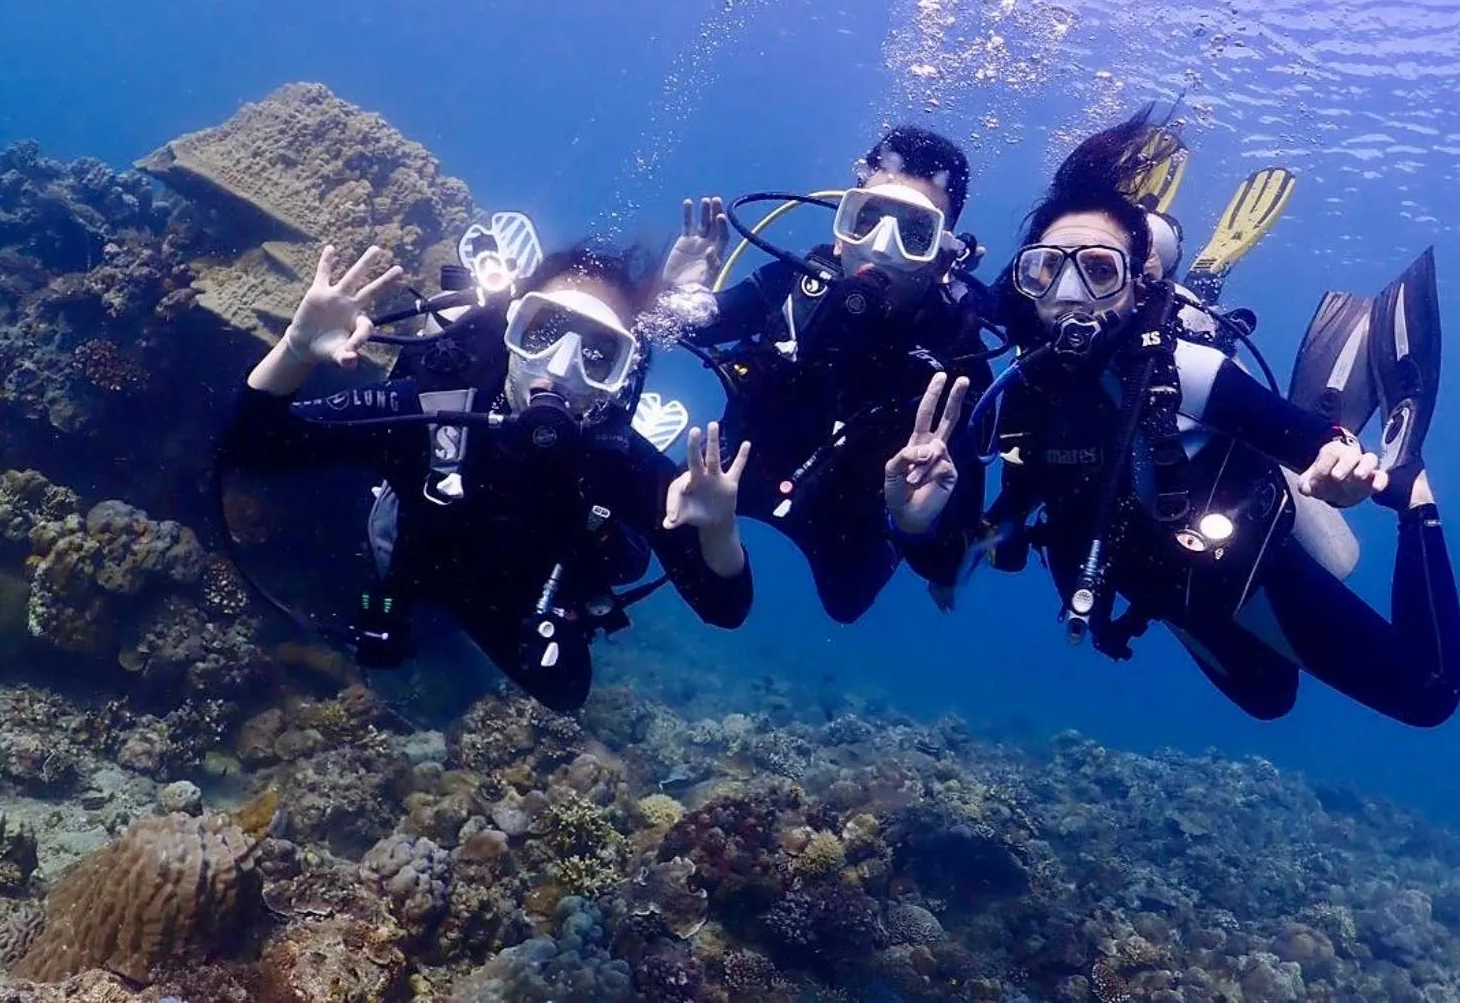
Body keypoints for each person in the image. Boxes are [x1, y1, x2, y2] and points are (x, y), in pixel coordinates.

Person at [962, 108, 1460, 727]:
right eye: (1047, 268)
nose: (1069, 293)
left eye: (1098, 269)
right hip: (1168, 590)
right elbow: (1012, 513)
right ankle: (1188, 271)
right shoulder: (1017, 391)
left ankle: (1420, 494)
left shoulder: (1188, 371)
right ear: (1024, 282)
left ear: (1136, 287)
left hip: (1242, 568)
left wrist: (1349, 470)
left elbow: (1319, 447)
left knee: (1430, 696)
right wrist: (952, 533)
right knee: (1270, 701)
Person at [216, 237, 754, 711]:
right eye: (543, 331)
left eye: (597, 352)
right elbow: (255, 447)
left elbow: (724, 609)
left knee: (567, 693)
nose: (562, 368)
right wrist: (295, 351)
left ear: (619, 376)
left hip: (516, 605)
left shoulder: (622, 465)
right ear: (509, 328)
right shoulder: (432, 409)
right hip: (411, 565)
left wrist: (718, 531)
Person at [659, 126, 986, 623]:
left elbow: (947, 547)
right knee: (669, 530)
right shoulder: (797, 286)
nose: (881, 247)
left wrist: (914, 527)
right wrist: (678, 295)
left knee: (846, 605)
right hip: (735, 475)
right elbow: (689, 327)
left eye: (914, 233)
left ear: (943, 255)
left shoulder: (957, 354)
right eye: (867, 219)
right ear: (840, 230)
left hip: (846, 517)